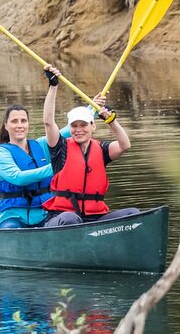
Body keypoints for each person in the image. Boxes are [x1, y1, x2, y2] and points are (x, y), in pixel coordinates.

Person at [0, 72, 106, 229]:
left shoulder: (41, 145)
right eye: (14, 121)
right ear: (6, 125)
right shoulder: (1, 153)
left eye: (23, 121)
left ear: (28, 124)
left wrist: (90, 109)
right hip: (14, 215)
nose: (20, 125)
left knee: (69, 219)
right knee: (10, 229)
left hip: (46, 213)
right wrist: (60, 167)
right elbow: (18, 178)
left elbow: (69, 130)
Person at [42, 65, 139, 227]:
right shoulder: (60, 147)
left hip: (95, 218)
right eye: (74, 126)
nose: (79, 130)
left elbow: (125, 145)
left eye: (83, 125)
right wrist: (53, 86)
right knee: (71, 219)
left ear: (93, 126)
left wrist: (112, 122)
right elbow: (48, 122)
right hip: (62, 218)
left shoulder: (101, 150)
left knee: (133, 214)